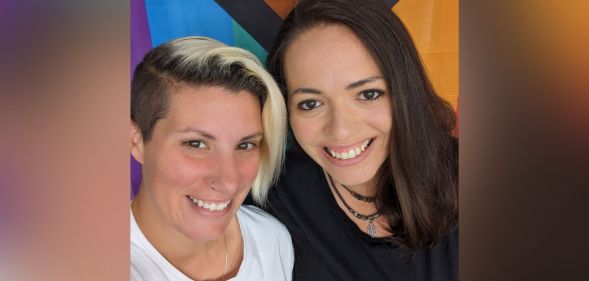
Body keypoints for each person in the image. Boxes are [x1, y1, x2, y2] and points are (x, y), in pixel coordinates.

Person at [264, 0, 458, 280]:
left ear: (405, 89)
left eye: (368, 94)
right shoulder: (274, 196)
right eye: (310, 104)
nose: (341, 130)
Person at [130, 36, 293, 281]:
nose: (228, 180)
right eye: (196, 144)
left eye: (245, 145)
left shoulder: (271, 240)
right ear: (137, 141)